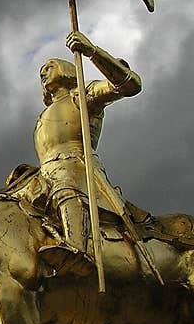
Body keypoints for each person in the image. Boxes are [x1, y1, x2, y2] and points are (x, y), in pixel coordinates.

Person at [35, 31, 154, 276]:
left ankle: (76, 248)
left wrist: (92, 52)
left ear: (66, 69)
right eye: (41, 72)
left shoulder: (81, 96)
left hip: (76, 167)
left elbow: (129, 85)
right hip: (44, 172)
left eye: (49, 66)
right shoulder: (43, 116)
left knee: (65, 187)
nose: (43, 72)